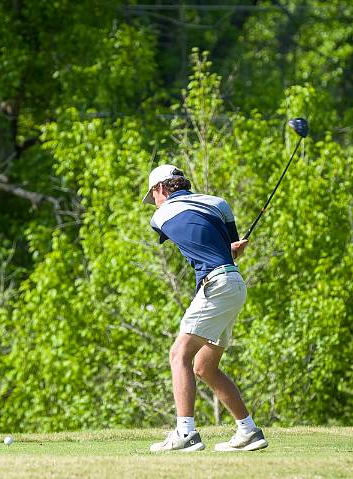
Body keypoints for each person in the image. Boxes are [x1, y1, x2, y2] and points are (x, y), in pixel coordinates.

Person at [143, 164, 268, 453]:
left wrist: (225, 251)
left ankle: (185, 433)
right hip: (234, 283)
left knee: (179, 354)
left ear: (161, 187)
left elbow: (191, 237)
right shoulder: (218, 203)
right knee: (204, 366)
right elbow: (227, 246)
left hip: (216, 284)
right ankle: (248, 430)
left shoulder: (160, 216)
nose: (154, 202)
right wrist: (231, 250)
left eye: (154, 195)